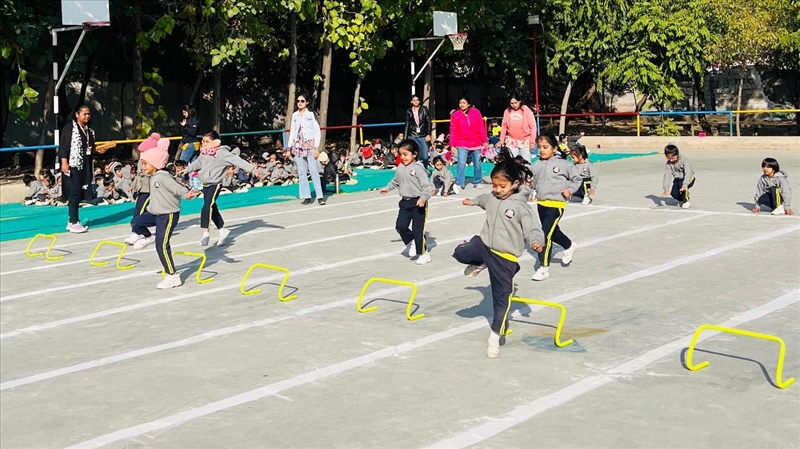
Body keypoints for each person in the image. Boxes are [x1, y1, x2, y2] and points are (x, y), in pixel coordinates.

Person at [454, 158, 544, 358]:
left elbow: (533, 229)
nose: (497, 190)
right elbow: (483, 199)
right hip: (485, 245)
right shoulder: (492, 198)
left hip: (505, 258)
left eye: (502, 186)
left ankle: (495, 337)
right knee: (460, 252)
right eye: (494, 185)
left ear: (515, 184)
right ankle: (480, 262)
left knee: (501, 300)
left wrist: (536, 241)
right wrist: (472, 201)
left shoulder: (521, 208)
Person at [131, 138, 198, 289]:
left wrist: (186, 194)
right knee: (136, 223)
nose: (143, 167)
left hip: (168, 215)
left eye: (145, 164)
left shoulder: (162, 176)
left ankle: (172, 276)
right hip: (154, 213)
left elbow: (176, 187)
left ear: (155, 164)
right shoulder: (154, 176)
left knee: (161, 245)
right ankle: (148, 237)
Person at [185, 132, 255, 247]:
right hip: (205, 183)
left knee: (207, 206)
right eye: (203, 141)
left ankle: (206, 232)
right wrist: (186, 170)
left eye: (207, 141)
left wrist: (252, 169)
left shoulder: (222, 153)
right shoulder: (204, 152)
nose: (204, 144)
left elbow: (238, 161)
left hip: (215, 183)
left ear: (215, 142)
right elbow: (197, 163)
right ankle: (222, 230)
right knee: (212, 207)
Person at [530, 134, 582, 282]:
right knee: (553, 232)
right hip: (542, 204)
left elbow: (577, 179)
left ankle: (543, 268)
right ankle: (569, 245)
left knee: (544, 234)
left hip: (556, 205)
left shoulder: (564, 165)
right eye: (539, 147)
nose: (541, 150)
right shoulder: (536, 165)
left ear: (554, 148)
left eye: (545, 147)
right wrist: (529, 191)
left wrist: (570, 190)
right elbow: (532, 182)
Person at [380, 139, 433, 265]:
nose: (403, 157)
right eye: (401, 154)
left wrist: (423, 198)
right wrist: (387, 188)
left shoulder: (418, 168)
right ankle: (411, 241)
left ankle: (424, 254)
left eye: (405, 154)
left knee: (418, 230)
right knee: (400, 226)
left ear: (414, 154)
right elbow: (395, 181)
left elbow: (427, 187)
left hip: (418, 203)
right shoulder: (400, 167)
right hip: (405, 202)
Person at [58, 104, 96, 233]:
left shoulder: (89, 129)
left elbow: (90, 147)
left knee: (80, 192)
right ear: (77, 115)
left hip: (84, 165)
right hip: (72, 164)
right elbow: (63, 146)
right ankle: (73, 221)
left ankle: (74, 220)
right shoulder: (70, 128)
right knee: (74, 192)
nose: (87, 116)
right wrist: (64, 162)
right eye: (84, 114)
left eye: (88, 114)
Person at [124, 133, 163, 245]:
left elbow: (150, 175)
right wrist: (133, 185)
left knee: (140, 212)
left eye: (143, 151)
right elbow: (138, 175)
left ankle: (138, 232)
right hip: (142, 189)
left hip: (149, 189)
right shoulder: (142, 160)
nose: (141, 153)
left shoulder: (152, 161)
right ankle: (137, 231)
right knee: (139, 210)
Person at [287, 93, 326, 205]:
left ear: (307, 102)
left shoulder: (310, 115)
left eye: (302, 101)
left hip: (310, 146)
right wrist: (289, 148)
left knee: (313, 171)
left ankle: (320, 196)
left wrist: (316, 147)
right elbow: (292, 132)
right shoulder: (295, 115)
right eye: (298, 101)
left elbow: (317, 131)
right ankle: (306, 196)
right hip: (298, 147)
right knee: (302, 172)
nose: (300, 103)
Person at [450, 97, 488, 190]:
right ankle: (460, 183)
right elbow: (453, 131)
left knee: (477, 163)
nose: (462, 104)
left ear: (468, 104)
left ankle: (477, 181)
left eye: (464, 103)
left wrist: (485, 141)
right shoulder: (455, 115)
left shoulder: (476, 112)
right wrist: (452, 145)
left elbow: (481, 127)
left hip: (476, 142)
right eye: (460, 103)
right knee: (461, 163)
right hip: (462, 142)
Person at [498, 93, 537, 161]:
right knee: (511, 161)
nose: (514, 105)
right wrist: (502, 139)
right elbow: (504, 126)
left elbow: (533, 126)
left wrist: (532, 141)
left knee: (526, 161)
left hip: (525, 141)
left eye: (515, 103)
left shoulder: (526, 110)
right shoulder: (507, 111)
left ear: (519, 101)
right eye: (512, 103)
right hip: (511, 140)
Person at [660, 142, 695, 209]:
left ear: (677, 154)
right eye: (669, 158)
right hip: (677, 178)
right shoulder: (668, 164)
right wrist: (666, 189)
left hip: (688, 178)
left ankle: (686, 201)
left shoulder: (685, 160)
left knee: (683, 189)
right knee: (674, 193)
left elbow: (688, 173)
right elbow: (667, 176)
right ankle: (681, 200)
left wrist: (685, 184)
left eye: (673, 158)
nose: (671, 160)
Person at [404, 95, 432, 168]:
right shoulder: (409, 111)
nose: (416, 102)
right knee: (415, 155)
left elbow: (428, 122)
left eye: (417, 100)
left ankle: (425, 169)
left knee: (425, 156)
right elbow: (407, 124)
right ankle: (415, 170)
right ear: (411, 102)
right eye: (414, 100)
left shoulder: (424, 109)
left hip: (423, 135)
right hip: (412, 135)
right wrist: (405, 138)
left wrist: (428, 134)